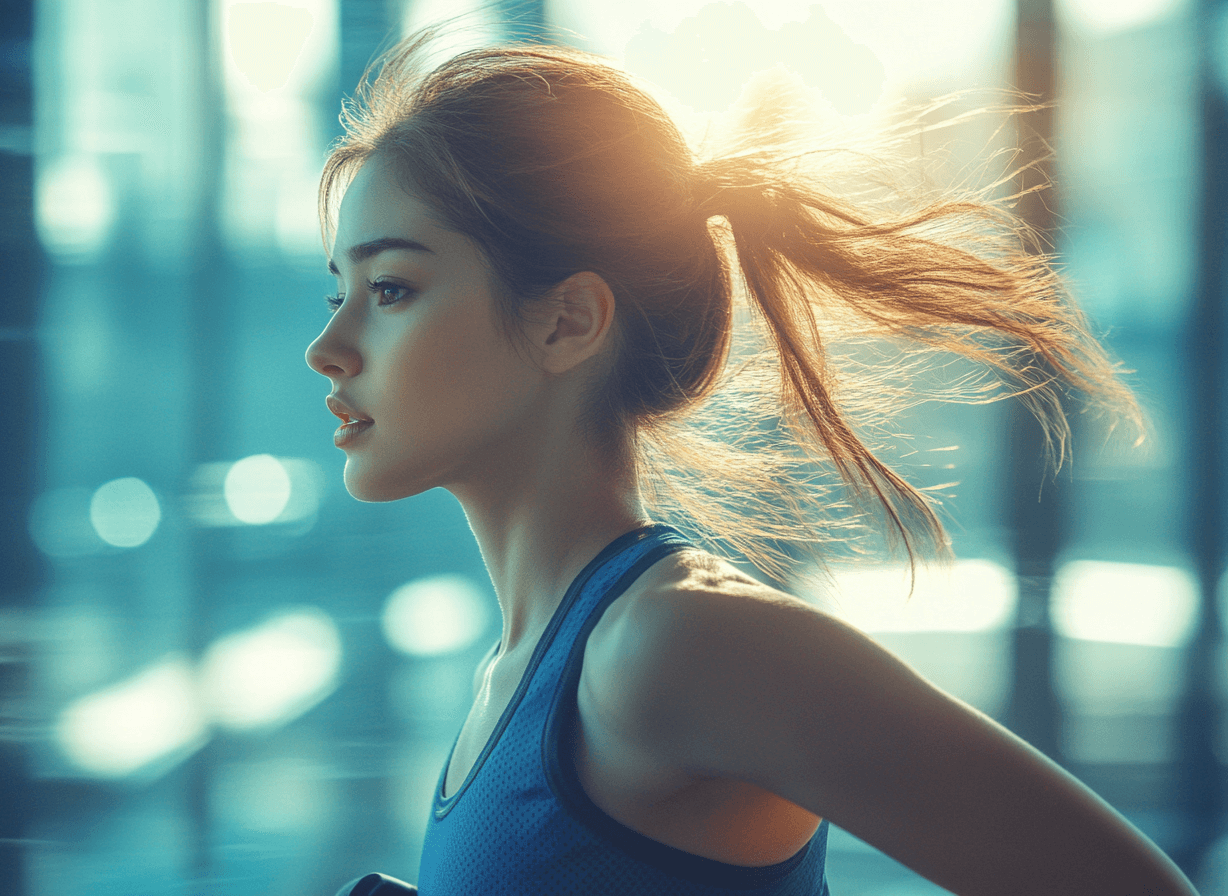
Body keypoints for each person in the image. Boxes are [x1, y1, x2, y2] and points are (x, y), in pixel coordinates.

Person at [305, 32, 1199, 896]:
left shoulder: (675, 647)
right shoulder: (521, 672)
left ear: (567, 320)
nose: (328, 347)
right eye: (339, 291)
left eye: (391, 290)